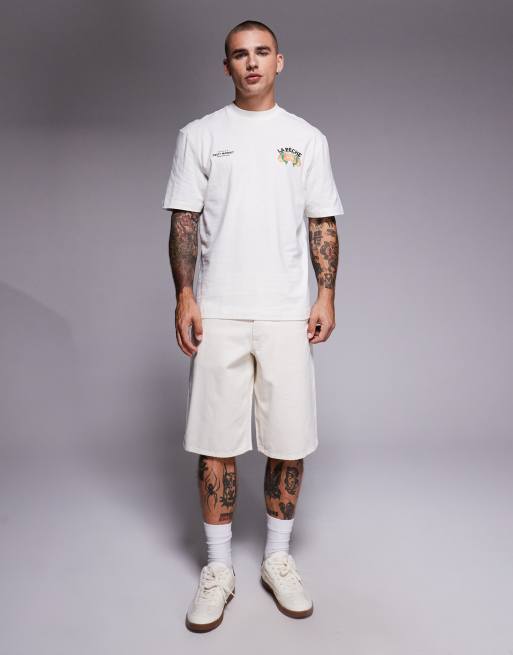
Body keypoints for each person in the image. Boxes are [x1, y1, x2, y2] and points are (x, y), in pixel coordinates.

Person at [161, 19, 344, 632]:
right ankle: (218, 568)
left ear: (279, 61)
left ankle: (277, 558)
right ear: (227, 67)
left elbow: (322, 221)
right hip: (218, 310)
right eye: (240, 55)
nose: (252, 63)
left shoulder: (306, 139)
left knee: (288, 441)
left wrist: (326, 294)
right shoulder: (200, 135)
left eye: (262, 52)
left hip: (287, 311)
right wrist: (185, 295)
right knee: (216, 442)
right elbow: (183, 221)